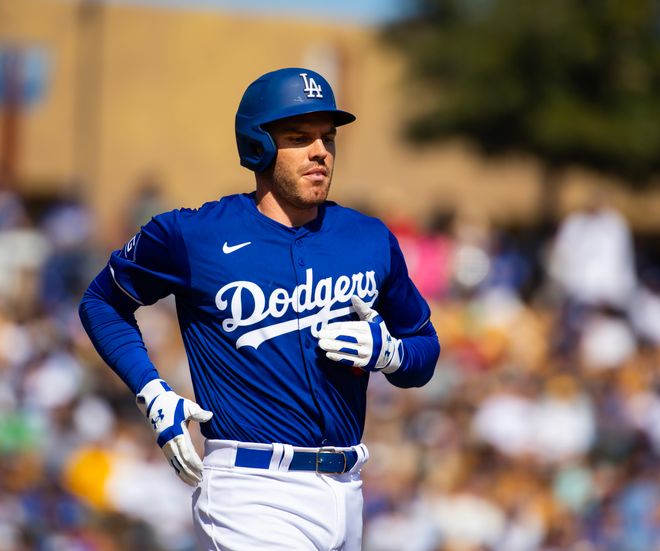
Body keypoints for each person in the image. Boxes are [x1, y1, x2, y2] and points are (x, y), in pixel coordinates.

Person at [78, 67, 440, 550]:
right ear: (258, 144)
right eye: (299, 137)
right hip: (250, 489)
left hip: (348, 489)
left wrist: (391, 353)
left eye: (327, 138)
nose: (320, 152)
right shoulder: (193, 235)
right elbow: (102, 301)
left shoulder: (368, 238)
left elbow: (425, 349)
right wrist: (151, 391)